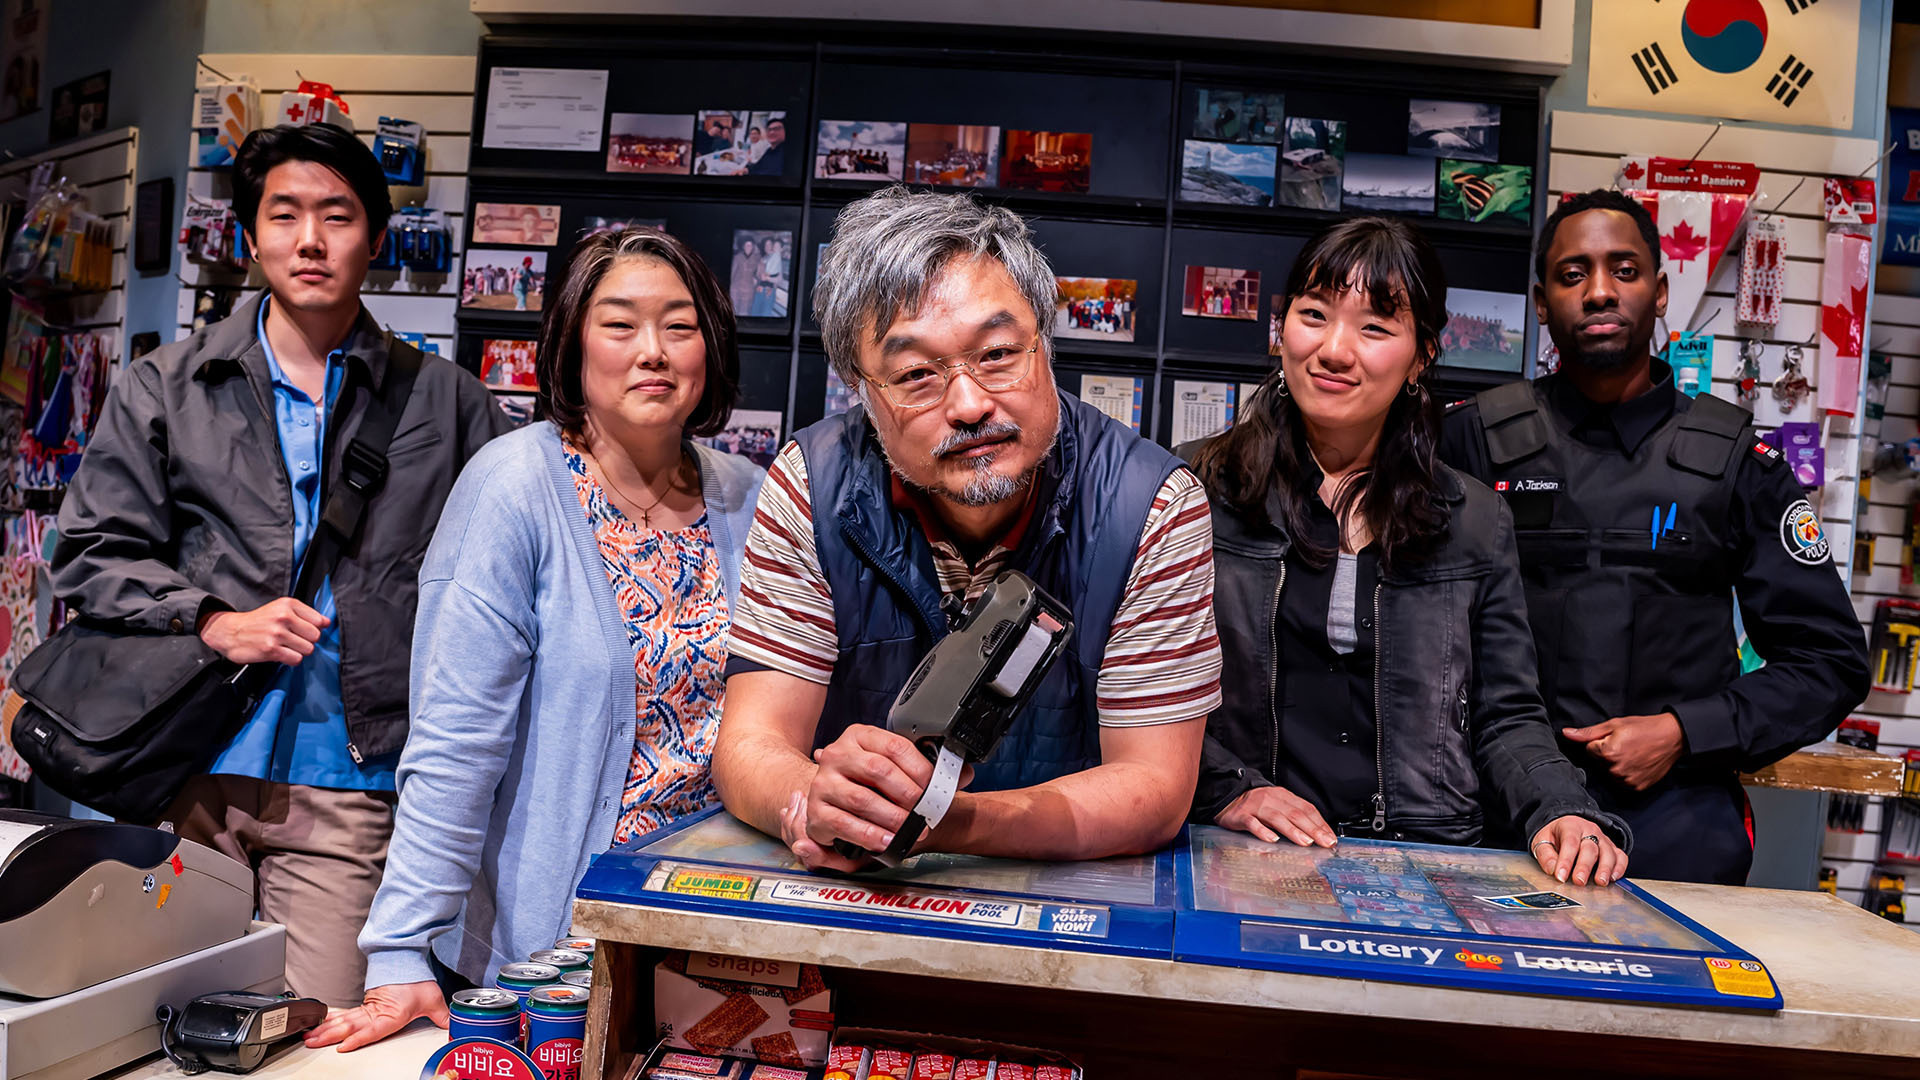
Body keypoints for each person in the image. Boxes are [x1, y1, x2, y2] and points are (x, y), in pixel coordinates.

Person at [46, 122, 512, 1008]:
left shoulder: (449, 404)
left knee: (319, 1029)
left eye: (336, 216)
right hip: (184, 763)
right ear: (249, 235)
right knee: (151, 1027)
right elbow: (90, 552)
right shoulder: (167, 386)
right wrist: (211, 621)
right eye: (284, 213)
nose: (309, 239)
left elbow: (507, 579)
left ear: (376, 237)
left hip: (353, 780)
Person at [308, 227, 765, 1051]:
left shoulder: (749, 497)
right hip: (548, 962)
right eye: (620, 324)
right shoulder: (513, 489)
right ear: (571, 343)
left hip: (715, 938)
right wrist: (401, 949)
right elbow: (455, 743)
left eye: (681, 325)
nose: (653, 352)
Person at [711, 187, 1221, 871]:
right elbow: (750, 743)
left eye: (999, 354)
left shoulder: (1152, 506)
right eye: (917, 374)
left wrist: (945, 822)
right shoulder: (811, 485)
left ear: (1044, 343)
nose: (971, 403)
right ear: (861, 391)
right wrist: (813, 799)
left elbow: (1155, 789)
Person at [1439, 189, 1870, 885]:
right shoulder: (1470, 441)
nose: (1600, 291)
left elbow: (1830, 662)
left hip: (1675, 824)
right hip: (1494, 817)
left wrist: (1687, 732)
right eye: (1573, 274)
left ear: (1661, 291)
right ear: (1542, 302)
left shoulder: (1736, 462)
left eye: (1624, 270)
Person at [1187, 217, 1629, 886]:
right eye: (1314, 314)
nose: (1335, 350)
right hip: (1241, 857)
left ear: (1422, 354)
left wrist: (1559, 810)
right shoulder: (1196, 492)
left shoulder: (1474, 518)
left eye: (1374, 327)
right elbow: (1138, 693)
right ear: (1282, 329)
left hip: (1424, 864)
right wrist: (1229, 788)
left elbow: (1506, 715)